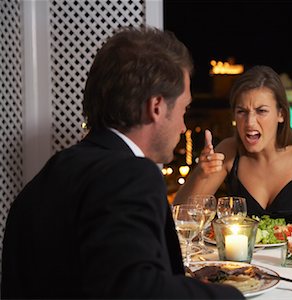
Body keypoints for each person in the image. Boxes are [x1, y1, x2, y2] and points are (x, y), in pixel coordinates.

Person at [1, 26, 243, 299]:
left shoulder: (52, 171)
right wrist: (230, 296)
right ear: (157, 107)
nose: (184, 126)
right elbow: (136, 290)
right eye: (183, 110)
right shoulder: (130, 174)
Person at [174, 65, 292, 243]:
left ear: (281, 114)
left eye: (261, 111)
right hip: (248, 271)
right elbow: (181, 216)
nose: (250, 122)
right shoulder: (229, 151)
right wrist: (201, 173)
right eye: (242, 111)